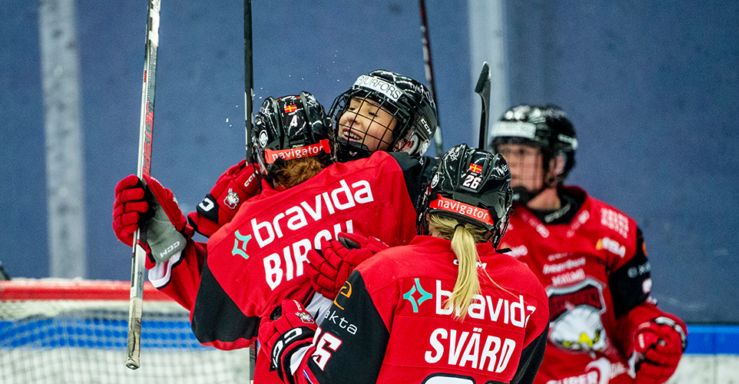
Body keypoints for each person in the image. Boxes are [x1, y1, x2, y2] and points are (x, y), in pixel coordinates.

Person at [112, 71, 440, 383]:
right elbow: (233, 306)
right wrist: (168, 247)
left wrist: (378, 272)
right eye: (352, 106)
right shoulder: (271, 185)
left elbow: (466, 287)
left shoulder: (416, 195)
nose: (353, 118)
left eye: (373, 113)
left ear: (407, 141)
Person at [258, 144, 550, 384]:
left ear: (428, 202)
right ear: (499, 219)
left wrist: (291, 346)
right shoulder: (529, 293)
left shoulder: (386, 274)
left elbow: (321, 380)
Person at [488, 104, 687, 384]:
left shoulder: (614, 229)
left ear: (557, 161)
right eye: (504, 151)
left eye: (523, 152)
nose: (510, 162)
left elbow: (632, 310)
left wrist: (651, 333)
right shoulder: (488, 228)